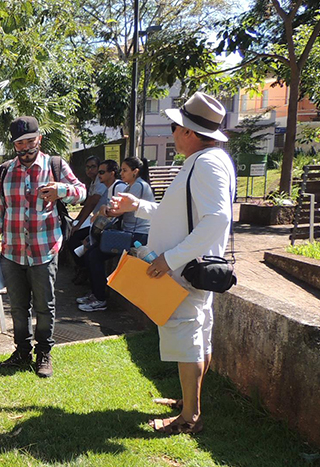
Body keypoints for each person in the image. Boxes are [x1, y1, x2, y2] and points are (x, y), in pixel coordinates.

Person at [108, 92, 236, 434]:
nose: (173, 132)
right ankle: (188, 400)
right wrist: (138, 205)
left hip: (184, 271)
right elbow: (181, 215)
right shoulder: (208, 159)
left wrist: (170, 258)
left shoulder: (207, 163)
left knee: (188, 336)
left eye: (175, 127)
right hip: (187, 268)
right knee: (198, 334)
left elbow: (217, 219)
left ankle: (189, 417)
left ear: (190, 132)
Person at [0, 116, 86, 378]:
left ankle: (44, 354)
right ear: (14, 145)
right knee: (17, 306)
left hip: (44, 250)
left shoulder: (55, 165)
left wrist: (61, 190)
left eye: (30, 141)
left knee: (44, 305)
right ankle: (21, 351)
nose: (26, 147)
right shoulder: (5, 171)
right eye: (20, 143)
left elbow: (82, 191)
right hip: (12, 252)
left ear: (39, 139)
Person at [78, 157, 154, 312]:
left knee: (94, 256)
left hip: (137, 236)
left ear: (135, 171)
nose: (122, 173)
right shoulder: (129, 187)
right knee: (91, 253)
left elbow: (117, 210)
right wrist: (106, 209)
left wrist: (103, 211)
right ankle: (96, 294)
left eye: (125, 170)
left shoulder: (138, 185)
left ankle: (100, 299)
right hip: (128, 233)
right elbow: (115, 208)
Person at [60, 156, 104, 283]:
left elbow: (91, 204)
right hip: (96, 221)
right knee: (71, 236)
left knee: (74, 238)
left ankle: (83, 268)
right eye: (88, 167)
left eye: (93, 167)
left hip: (103, 224)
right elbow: (87, 205)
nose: (90, 170)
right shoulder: (93, 183)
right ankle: (81, 267)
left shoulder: (100, 182)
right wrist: (76, 221)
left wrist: (78, 224)